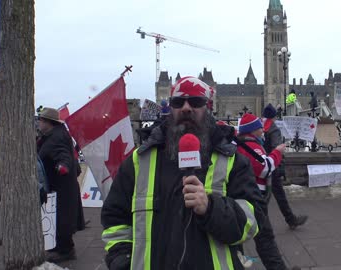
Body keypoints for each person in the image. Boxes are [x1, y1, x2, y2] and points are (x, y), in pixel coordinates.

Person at [101, 76, 264, 270]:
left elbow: (253, 220)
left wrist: (211, 208)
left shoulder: (232, 161)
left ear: (208, 107)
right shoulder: (139, 161)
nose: (186, 108)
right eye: (178, 102)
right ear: (171, 108)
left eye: (196, 101)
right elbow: (115, 218)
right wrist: (122, 259)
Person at [236, 113, 299, 270]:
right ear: (252, 130)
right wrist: (277, 152)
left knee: (238, 238)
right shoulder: (251, 147)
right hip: (252, 199)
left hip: (243, 197)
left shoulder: (242, 143)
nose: (263, 131)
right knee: (265, 239)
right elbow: (264, 168)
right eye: (259, 128)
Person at [37, 107, 85, 263]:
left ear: (48, 122)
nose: (39, 122)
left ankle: (66, 251)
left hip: (61, 187)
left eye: (41, 120)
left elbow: (63, 155)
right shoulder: (51, 135)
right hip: (58, 186)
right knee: (58, 219)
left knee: (62, 220)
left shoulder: (56, 137)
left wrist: (62, 166)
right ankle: (59, 248)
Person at [262, 104, 308, 230]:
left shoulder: (260, 126)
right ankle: (290, 219)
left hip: (260, 166)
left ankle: (289, 219)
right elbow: (277, 149)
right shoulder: (274, 129)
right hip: (271, 166)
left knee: (262, 195)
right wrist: (279, 166)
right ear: (274, 116)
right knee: (278, 196)